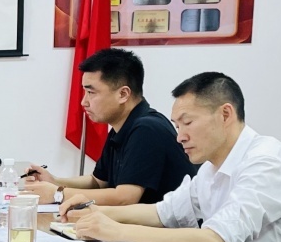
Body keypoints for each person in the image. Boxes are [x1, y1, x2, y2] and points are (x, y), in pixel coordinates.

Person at [63, 72, 281, 242]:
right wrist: (95, 211)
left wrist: (117, 231)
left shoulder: (266, 163)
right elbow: (162, 212)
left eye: (187, 123)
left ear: (225, 114)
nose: (180, 136)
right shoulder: (212, 168)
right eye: (177, 126)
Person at [24, 48, 195, 206]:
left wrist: (58, 194)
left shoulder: (147, 129)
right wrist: (54, 181)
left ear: (123, 94)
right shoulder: (121, 127)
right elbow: (98, 182)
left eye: (91, 93)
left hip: (172, 227)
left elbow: (124, 198)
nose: (84, 102)